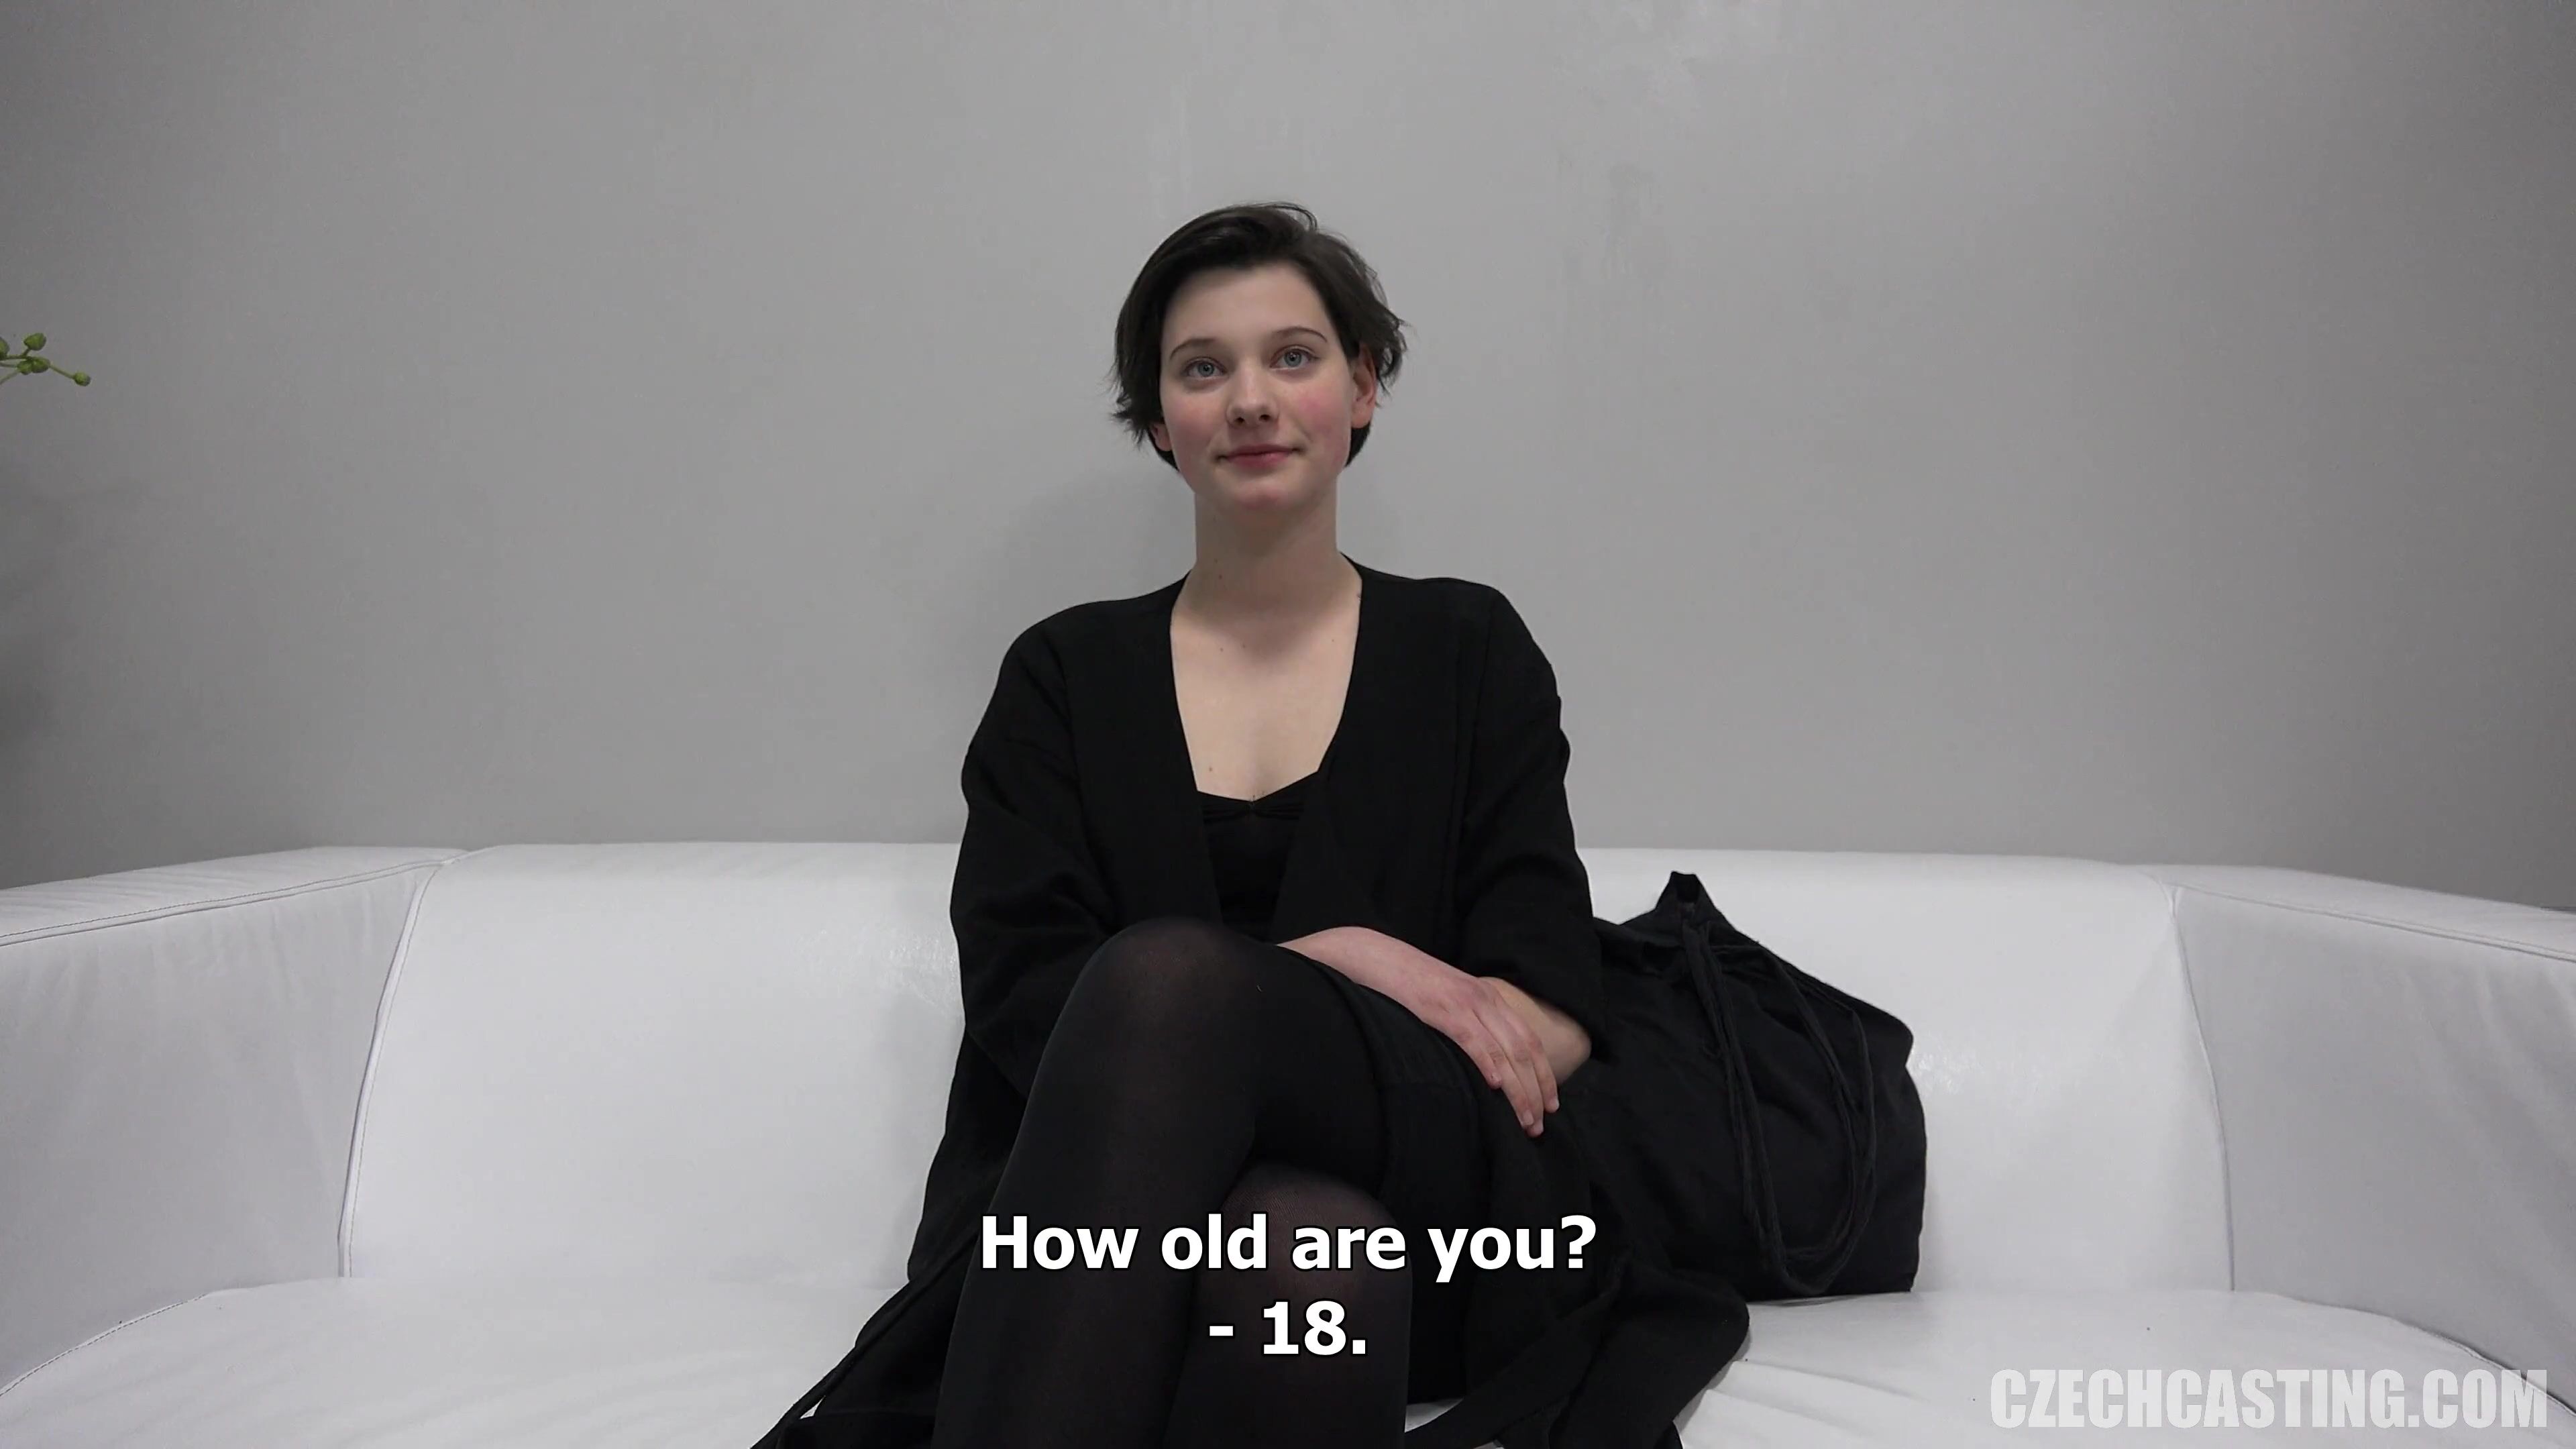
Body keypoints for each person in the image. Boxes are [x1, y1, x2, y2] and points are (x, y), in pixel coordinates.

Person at [757, 202, 1747, 1449]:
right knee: (1299, 1251)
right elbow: (1031, 1010)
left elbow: (1547, 1015)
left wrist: (1272, 1001)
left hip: (1436, 1203)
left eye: (1293, 356)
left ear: (1363, 386)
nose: (1251, 400)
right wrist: (1344, 958)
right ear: (1156, 421)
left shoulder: (1469, 650)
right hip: (1104, 1213)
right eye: (1201, 369)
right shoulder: (1063, 676)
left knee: (1177, 990)